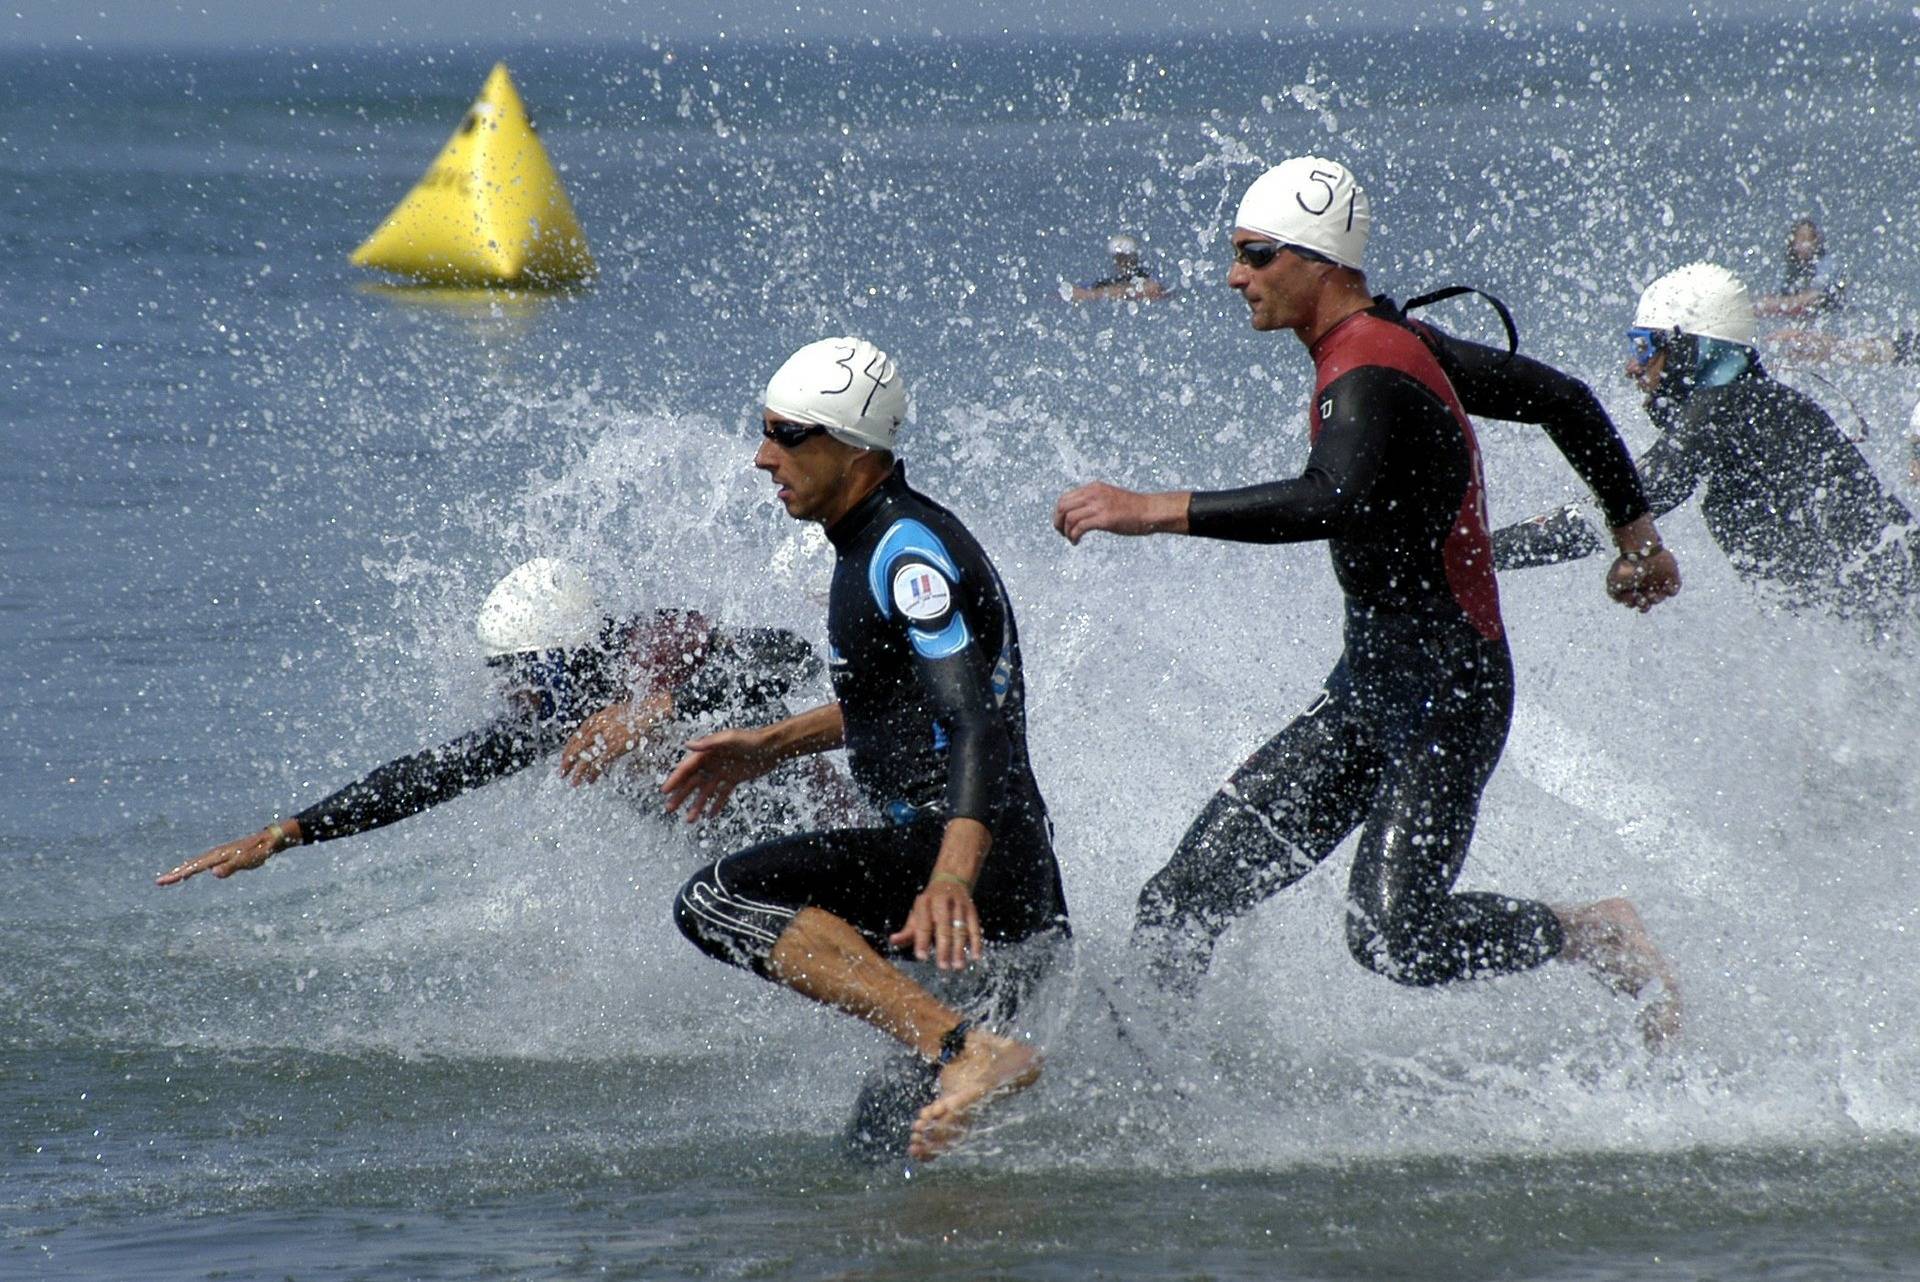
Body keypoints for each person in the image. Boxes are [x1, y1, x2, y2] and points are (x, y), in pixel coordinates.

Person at [1051, 156, 1682, 1044]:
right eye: (1237, 255)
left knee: (1394, 935)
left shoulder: (1373, 369)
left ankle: (1593, 933)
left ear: (1321, 262)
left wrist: (1154, 509)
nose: (1236, 275)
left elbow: (1331, 497)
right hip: (1371, 690)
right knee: (1183, 898)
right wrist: (1637, 539)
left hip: (1447, 698)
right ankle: (1153, 1093)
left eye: (1257, 255)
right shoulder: (1394, 345)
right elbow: (1564, 399)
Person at [662, 337, 1070, 1161]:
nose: (761, 456)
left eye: (786, 434)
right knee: (885, 1157)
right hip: (999, 889)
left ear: (852, 449)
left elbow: (974, 722)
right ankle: (967, 1064)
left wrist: (951, 877)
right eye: (764, 430)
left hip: (966, 871)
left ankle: (966, 1050)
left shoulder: (904, 553)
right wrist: (770, 745)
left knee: (715, 901)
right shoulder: (872, 540)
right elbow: (898, 700)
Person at [157, 558, 832, 886]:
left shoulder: (655, 650)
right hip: (740, 852)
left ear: (575, 652)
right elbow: (433, 775)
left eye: (528, 671)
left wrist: (655, 710)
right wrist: (288, 832)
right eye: (506, 675)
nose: (517, 692)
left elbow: (790, 654)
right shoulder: (556, 715)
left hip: (816, 820)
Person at [1495, 263, 1920, 629]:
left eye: (1643, 346)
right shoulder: (1757, 405)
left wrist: (1472, 550)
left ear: (1688, 347)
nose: (1631, 366)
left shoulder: (1724, 407)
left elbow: (1619, 505)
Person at [1754, 218, 1846, 319]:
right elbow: (1771, 297)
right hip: (1799, 311)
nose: (1806, 244)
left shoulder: (1826, 264)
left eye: (1809, 239)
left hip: (1828, 313)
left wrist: (1785, 304)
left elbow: (1815, 296)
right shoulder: (1789, 266)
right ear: (1793, 243)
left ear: (1817, 242)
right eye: (1801, 239)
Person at [1070, 233, 1171, 302]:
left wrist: (1093, 295)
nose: (1122, 262)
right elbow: (1077, 291)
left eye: (1125, 257)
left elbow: (1153, 289)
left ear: (1134, 257)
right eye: (1119, 258)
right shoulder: (1112, 281)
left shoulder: (1146, 276)